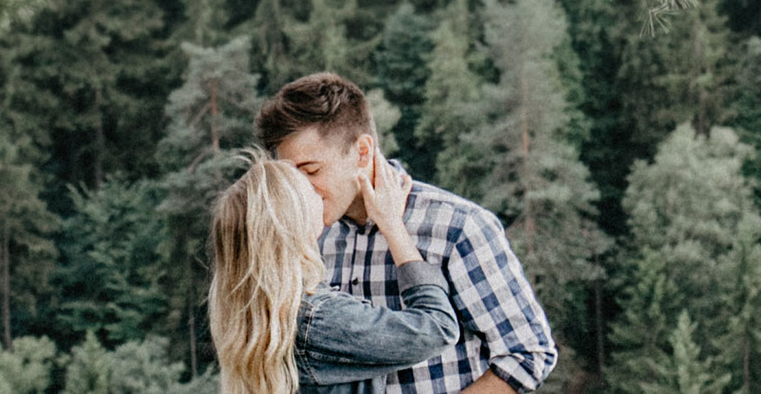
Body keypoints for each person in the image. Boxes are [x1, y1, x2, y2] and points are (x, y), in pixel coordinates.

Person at [257, 73, 556, 394]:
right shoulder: (308, 239)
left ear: (362, 152)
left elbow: (527, 354)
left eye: (311, 171)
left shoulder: (458, 227)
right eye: (290, 176)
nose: (301, 190)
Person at [211, 151, 460, 394]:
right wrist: (393, 225)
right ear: (293, 218)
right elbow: (438, 328)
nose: (317, 191)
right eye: (306, 185)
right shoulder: (317, 319)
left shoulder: (254, 312)